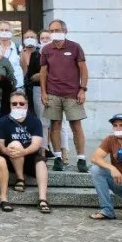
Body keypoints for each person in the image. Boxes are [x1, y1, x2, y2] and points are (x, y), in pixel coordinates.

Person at [40, 19, 89, 173]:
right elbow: (43, 72)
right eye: (52, 30)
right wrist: (43, 92)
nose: (54, 33)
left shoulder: (75, 47)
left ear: (65, 31)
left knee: (76, 126)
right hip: (53, 93)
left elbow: (83, 69)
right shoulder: (47, 49)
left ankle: (81, 159)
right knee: (55, 126)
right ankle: (58, 158)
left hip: (73, 93)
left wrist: (83, 89)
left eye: (57, 30)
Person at [0, 91, 51, 214]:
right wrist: (6, 150)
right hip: (11, 157)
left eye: (21, 103)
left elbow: (36, 144)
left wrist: (23, 152)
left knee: (41, 162)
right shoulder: (3, 121)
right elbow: (0, 144)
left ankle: (43, 198)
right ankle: (20, 179)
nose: (18, 106)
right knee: (15, 145)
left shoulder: (35, 121)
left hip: (29, 155)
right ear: (10, 105)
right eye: (14, 104)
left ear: (26, 105)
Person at [0, 21, 24, 94]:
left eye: (6, 30)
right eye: (1, 30)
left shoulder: (18, 48)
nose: (4, 32)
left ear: (11, 32)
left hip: (17, 86)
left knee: (17, 105)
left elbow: (24, 67)